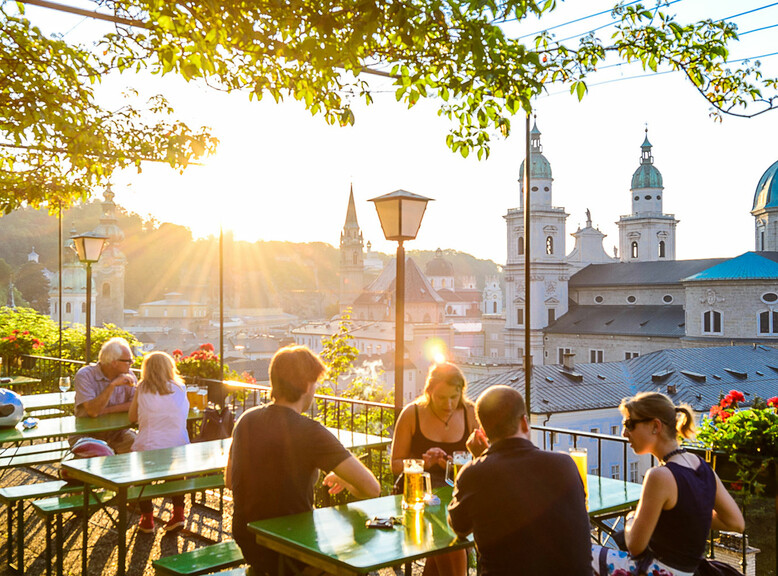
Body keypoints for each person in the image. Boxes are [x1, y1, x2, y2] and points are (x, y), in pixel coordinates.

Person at [225, 345, 380, 576]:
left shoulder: (247, 420)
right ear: (307, 385)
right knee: (359, 563)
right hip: (290, 548)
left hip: (249, 542)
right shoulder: (311, 432)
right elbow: (372, 488)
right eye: (315, 383)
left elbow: (229, 481)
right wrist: (346, 481)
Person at [592, 392, 745, 576]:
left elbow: (635, 546)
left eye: (629, 425)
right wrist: (682, 517)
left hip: (660, 570)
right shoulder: (703, 467)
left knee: (577, 550)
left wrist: (631, 519)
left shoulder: (659, 476)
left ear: (655, 426)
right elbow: (736, 522)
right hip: (689, 571)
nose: (625, 433)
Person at [448, 385, 593, 576]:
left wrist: (479, 460)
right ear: (524, 422)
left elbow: (459, 528)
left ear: (483, 432)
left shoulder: (474, 473)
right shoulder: (565, 464)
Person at [390, 361, 476, 576]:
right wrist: (423, 463)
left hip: (460, 492)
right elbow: (395, 464)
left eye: (454, 398)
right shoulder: (412, 414)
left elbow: (484, 459)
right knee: (448, 531)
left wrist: (452, 464)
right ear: (429, 392)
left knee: (447, 529)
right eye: (441, 398)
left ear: (461, 393)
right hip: (418, 495)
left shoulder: (470, 413)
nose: (448, 404)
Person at [129, 351, 190, 533]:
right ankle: (178, 513)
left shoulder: (142, 387)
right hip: (178, 445)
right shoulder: (180, 388)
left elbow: (132, 417)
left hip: (149, 446)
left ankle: (147, 518)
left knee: (142, 477)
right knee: (176, 475)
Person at [72, 337, 137, 453]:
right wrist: (112, 386)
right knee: (99, 454)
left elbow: (134, 404)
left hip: (118, 434)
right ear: (114, 362)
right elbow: (93, 411)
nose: (132, 363)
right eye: (128, 361)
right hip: (87, 434)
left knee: (139, 446)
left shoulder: (129, 375)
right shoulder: (85, 375)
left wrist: (106, 411)